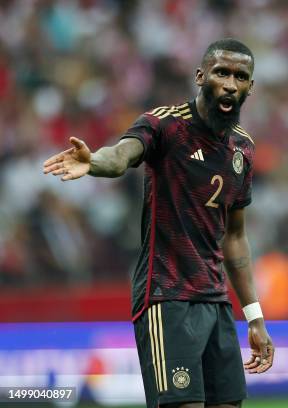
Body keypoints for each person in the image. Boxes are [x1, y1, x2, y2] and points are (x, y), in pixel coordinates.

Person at [43, 38, 274, 408]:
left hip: (215, 301)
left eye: (240, 76)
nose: (231, 83)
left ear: (250, 86)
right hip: (166, 297)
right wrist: (95, 162)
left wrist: (254, 316)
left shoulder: (243, 149)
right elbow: (121, 156)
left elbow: (235, 237)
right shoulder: (164, 125)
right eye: (221, 73)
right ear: (201, 76)